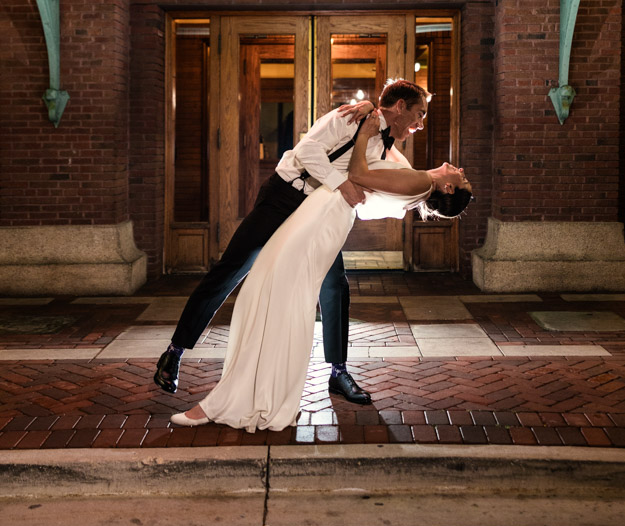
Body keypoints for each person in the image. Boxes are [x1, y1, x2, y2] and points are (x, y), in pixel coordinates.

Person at [170, 110, 472, 431]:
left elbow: (357, 174)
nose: (462, 170)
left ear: (449, 189)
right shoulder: (416, 177)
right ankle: (258, 393)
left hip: (321, 220)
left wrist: (363, 134)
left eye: (462, 178)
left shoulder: (419, 181)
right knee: (273, 296)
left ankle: (242, 398)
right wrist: (373, 115)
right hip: (318, 212)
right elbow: (387, 139)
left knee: (277, 299)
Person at [155, 79, 431, 405]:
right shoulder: (350, 118)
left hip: (318, 213)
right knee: (232, 268)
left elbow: (405, 177)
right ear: (400, 107)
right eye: (419, 113)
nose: (420, 124)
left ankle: (338, 372)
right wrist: (341, 183)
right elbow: (306, 151)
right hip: (284, 197)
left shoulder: (385, 142)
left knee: (335, 286)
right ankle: (174, 352)